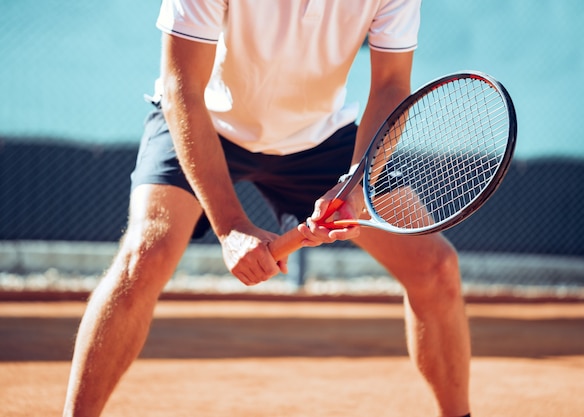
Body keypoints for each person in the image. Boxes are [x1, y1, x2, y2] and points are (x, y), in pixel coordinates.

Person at [63, 1, 472, 416]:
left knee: (435, 267)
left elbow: (390, 86)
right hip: (206, 123)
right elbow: (181, 90)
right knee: (145, 253)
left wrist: (356, 181)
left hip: (320, 139)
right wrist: (231, 226)